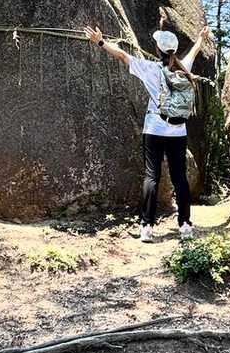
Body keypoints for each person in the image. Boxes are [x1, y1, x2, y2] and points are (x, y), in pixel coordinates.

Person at [83, 19, 212, 242]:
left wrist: (101, 42)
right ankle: (185, 225)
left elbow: (123, 56)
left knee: (152, 176)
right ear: (173, 50)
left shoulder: (150, 68)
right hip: (178, 131)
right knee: (179, 178)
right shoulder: (184, 68)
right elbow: (194, 51)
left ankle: (147, 227)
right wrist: (201, 38)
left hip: (154, 129)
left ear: (158, 50)